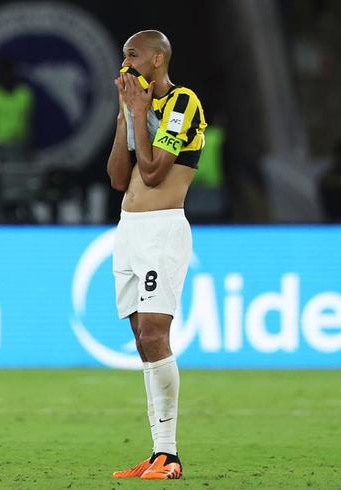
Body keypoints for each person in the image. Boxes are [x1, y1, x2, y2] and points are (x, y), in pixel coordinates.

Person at [107, 30, 207, 481]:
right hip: (128, 230)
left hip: (162, 230)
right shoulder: (136, 106)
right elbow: (118, 178)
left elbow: (152, 173)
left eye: (133, 54)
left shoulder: (183, 102)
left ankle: (170, 454)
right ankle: (157, 452)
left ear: (158, 58)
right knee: (141, 339)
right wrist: (124, 117)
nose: (125, 62)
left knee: (153, 333)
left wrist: (140, 112)